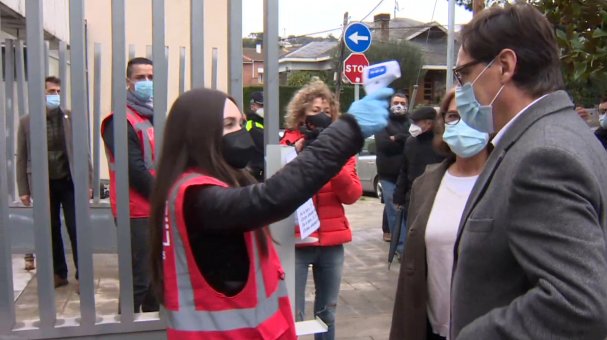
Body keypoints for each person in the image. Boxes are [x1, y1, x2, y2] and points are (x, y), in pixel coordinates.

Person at [148, 87, 393, 338]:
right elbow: (273, 196)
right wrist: (347, 130)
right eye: (229, 124)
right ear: (198, 135)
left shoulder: (199, 186)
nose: (241, 132)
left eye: (241, 122)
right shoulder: (197, 196)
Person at [449, 4, 607, 339]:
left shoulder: (543, 154)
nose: (461, 89)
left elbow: (580, 303)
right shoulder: (557, 134)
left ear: (505, 66)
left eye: (464, 75)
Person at [390, 89, 490, 340]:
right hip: (433, 328)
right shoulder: (427, 184)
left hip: (487, 329)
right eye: (454, 116)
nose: (462, 123)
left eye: (472, 115)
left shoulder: (508, 179)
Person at [280, 80, 362, 340]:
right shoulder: (286, 145)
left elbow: (351, 195)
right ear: (302, 114)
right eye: (315, 110)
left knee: (327, 314)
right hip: (296, 242)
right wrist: (298, 154)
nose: (322, 116)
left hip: (331, 242)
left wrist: (332, 159)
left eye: (327, 111)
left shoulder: (342, 148)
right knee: (292, 313)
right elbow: (276, 190)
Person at [16, 76, 91, 289]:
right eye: (50, 92)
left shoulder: (71, 117)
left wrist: (87, 182)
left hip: (69, 181)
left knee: (76, 227)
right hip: (43, 183)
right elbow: (22, 156)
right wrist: (24, 188)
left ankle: (83, 275)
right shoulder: (27, 121)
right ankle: (59, 273)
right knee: (50, 228)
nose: (55, 96)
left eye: (58, 91)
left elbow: (83, 152)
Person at [101, 57, 159, 313]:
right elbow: (133, 169)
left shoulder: (152, 116)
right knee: (140, 278)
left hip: (153, 207)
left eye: (150, 77)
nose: (147, 82)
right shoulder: (120, 121)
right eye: (140, 77)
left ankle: (152, 325)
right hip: (134, 210)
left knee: (156, 278)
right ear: (128, 82)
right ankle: (127, 325)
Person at [392, 106, 448, 255]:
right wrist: (399, 195)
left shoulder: (441, 143)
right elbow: (404, 169)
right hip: (413, 197)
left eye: (417, 122)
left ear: (428, 124)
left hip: (436, 196)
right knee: (414, 234)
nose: (413, 126)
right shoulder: (411, 142)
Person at [375, 93, 409, 242]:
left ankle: (399, 237)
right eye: (396, 102)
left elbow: (413, 139)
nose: (399, 105)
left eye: (402, 102)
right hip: (388, 174)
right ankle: (401, 247)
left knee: (406, 209)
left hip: (407, 174)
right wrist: (405, 139)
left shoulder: (411, 121)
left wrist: (397, 138)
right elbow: (384, 145)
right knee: (393, 207)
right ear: (390, 104)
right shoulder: (382, 122)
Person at [246, 91, 265, 181]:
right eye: (261, 105)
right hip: (256, 174)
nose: (264, 108)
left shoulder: (266, 123)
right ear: (252, 106)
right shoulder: (252, 126)